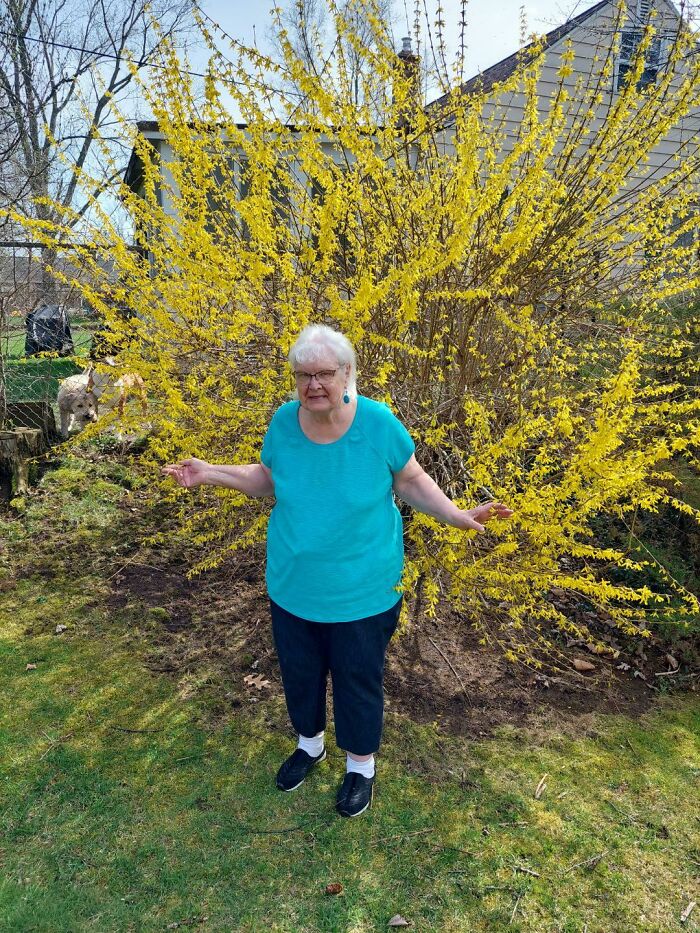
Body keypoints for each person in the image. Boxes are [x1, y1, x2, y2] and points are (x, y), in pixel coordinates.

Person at [162, 324, 513, 818]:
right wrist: (211, 472)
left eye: (324, 373)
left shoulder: (377, 423)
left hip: (363, 589)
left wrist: (456, 515)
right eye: (303, 375)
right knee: (300, 674)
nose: (314, 385)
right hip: (294, 585)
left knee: (356, 677)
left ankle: (359, 767)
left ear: (347, 373)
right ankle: (310, 745)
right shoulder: (284, 422)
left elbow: (410, 479)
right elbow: (268, 478)